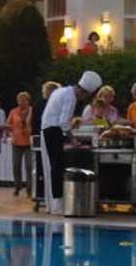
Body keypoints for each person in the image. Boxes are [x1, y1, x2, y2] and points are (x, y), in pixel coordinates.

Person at [40, 71, 100, 214]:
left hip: (46, 129)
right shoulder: (71, 97)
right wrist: (73, 139)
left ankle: (51, 205)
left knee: (50, 167)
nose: (82, 99)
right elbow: (63, 123)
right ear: (83, 92)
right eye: (85, 96)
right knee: (56, 167)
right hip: (53, 131)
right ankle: (57, 205)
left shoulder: (61, 91)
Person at [7, 91, 34, 197]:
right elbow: (8, 124)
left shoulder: (31, 111)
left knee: (29, 166)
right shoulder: (13, 111)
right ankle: (17, 187)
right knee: (16, 166)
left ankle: (30, 189)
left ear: (28, 101)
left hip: (28, 142)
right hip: (16, 142)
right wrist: (11, 132)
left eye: (24, 100)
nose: (21, 102)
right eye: (19, 100)